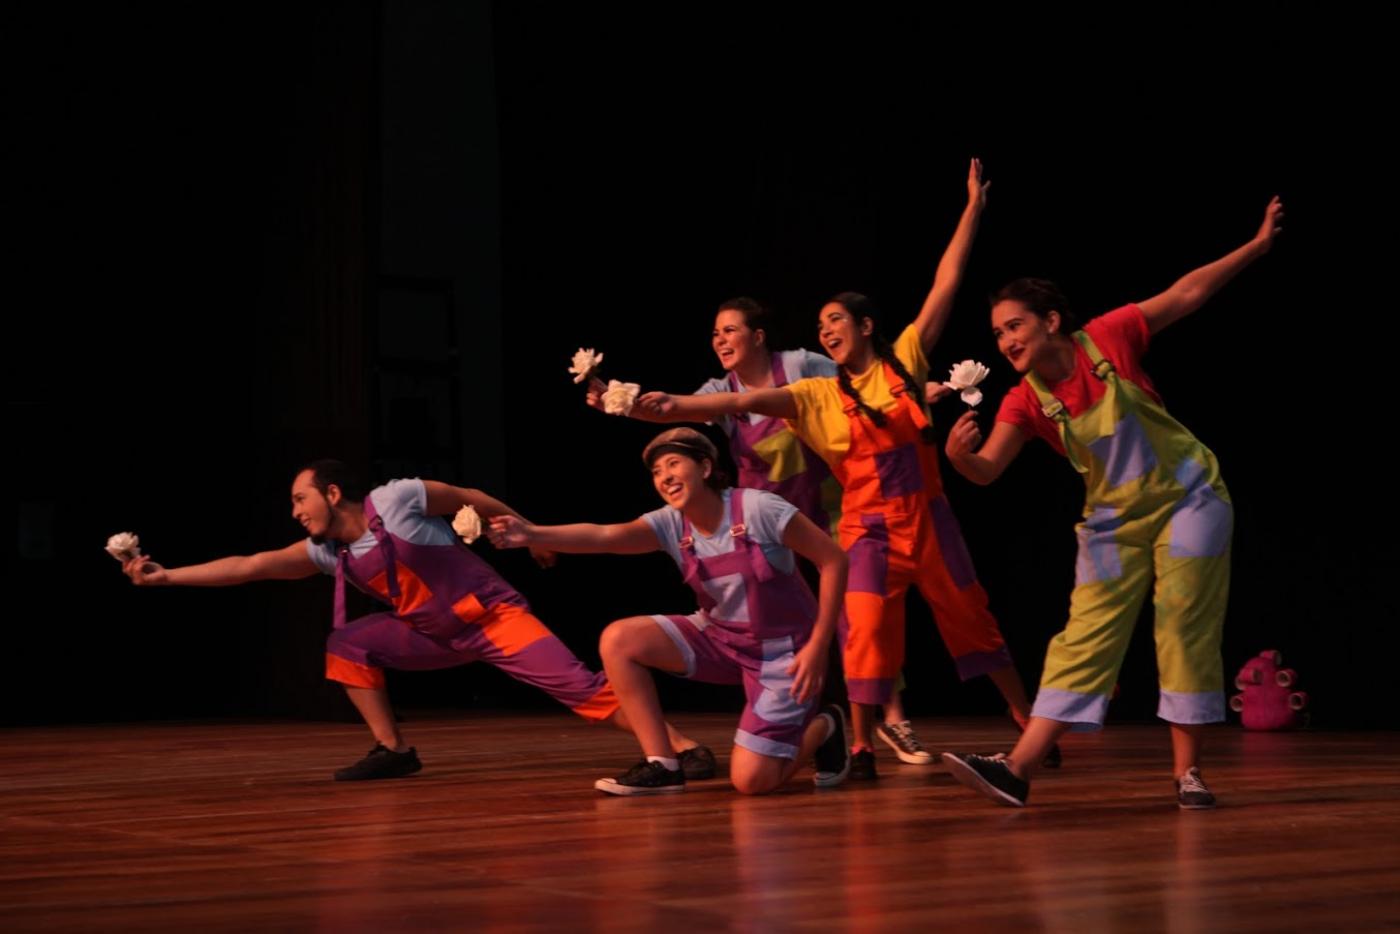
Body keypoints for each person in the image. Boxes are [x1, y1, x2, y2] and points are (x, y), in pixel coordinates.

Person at [631, 160, 1035, 780]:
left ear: (865, 327)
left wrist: (973, 210)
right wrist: (670, 406)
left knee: (971, 619)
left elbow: (945, 285)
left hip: (929, 520)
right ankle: (863, 747)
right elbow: (736, 401)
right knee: (865, 629)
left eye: (836, 321)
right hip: (867, 527)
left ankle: (1023, 718)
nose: (826, 331)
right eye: (821, 325)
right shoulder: (815, 397)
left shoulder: (902, 364)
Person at [939, 196, 1284, 809]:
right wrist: (961, 460)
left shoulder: (1106, 337)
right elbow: (988, 470)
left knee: (1182, 624)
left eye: (1014, 324)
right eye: (996, 333)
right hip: (1113, 521)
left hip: (1189, 499)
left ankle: (1188, 775)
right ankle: (1018, 768)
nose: (1004, 340)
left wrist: (1255, 247)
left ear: (1050, 320)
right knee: (1084, 635)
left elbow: (1186, 294)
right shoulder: (1024, 401)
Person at [121, 460, 711, 781]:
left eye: (301, 500)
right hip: (432, 635)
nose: (296, 513)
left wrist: (527, 532)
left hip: (493, 618)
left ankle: (681, 749)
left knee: (582, 690)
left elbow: (468, 495)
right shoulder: (333, 553)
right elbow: (250, 566)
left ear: (331, 492)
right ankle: (393, 751)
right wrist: (168, 576)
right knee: (348, 643)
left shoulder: (396, 499)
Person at [488, 428, 851, 795]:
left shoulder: (758, 509)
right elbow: (605, 536)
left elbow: (834, 560)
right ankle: (662, 763)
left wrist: (818, 646)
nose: (665, 477)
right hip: (720, 639)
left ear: (706, 467)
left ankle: (825, 726)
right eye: (657, 471)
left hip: (783, 654)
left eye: (674, 463)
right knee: (620, 639)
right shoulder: (670, 523)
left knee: (752, 781)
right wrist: (532, 534)